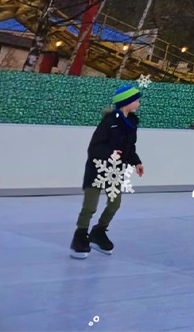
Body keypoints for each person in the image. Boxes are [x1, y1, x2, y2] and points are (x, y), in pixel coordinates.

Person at [71, 85, 144, 259]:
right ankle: (80, 236)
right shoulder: (109, 122)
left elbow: (130, 147)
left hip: (115, 171)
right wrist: (110, 154)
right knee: (90, 206)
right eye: (136, 100)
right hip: (97, 169)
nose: (138, 103)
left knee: (114, 204)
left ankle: (99, 231)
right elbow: (95, 147)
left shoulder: (132, 123)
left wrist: (136, 162)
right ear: (126, 102)